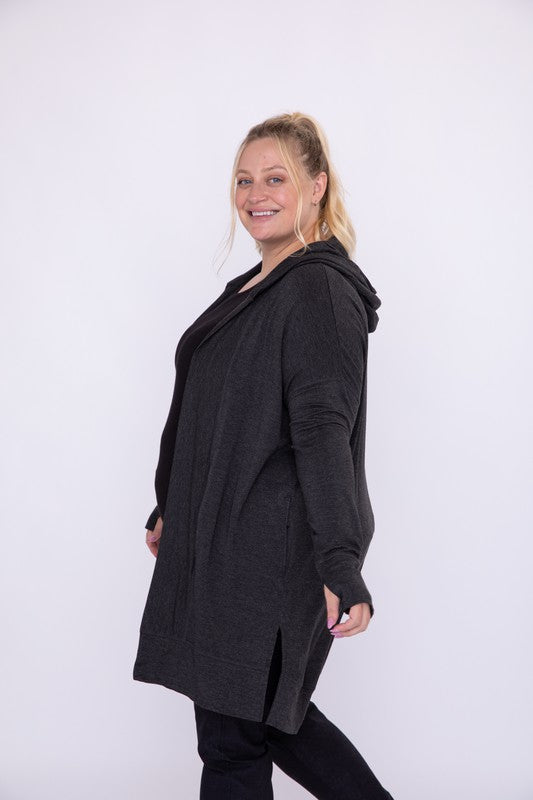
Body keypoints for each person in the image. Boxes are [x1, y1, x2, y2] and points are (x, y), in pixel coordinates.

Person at [133, 111, 394, 800]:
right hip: (228, 542)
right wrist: (173, 506)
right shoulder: (256, 288)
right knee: (269, 720)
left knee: (234, 737)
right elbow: (217, 416)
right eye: (244, 180)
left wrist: (339, 561)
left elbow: (321, 429)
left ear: (316, 184)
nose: (255, 194)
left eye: (275, 178)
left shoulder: (316, 290)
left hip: (272, 551)